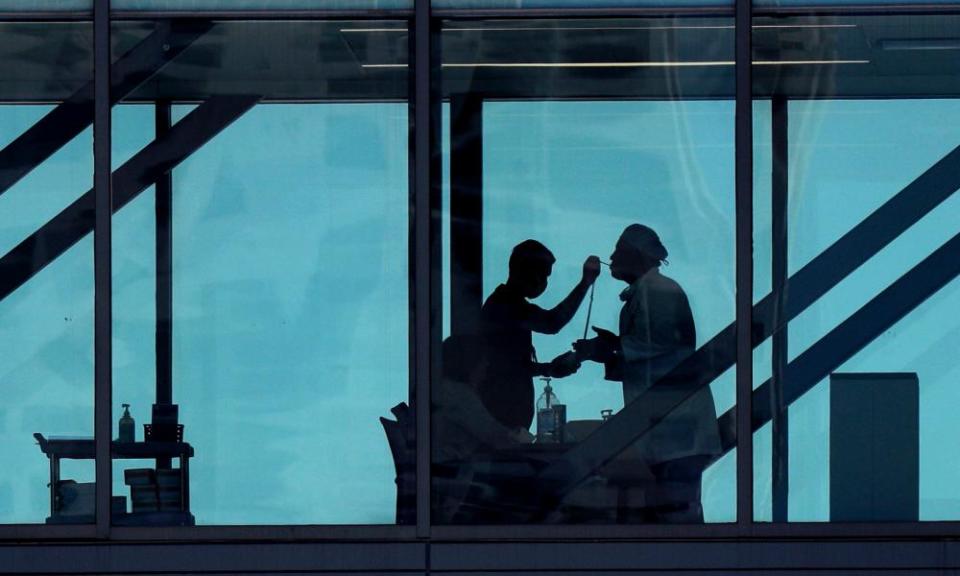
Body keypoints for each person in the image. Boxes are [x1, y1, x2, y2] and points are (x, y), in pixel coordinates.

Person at [574, 224, 720, 522]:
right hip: (667, 426)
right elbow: (650, 356)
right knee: (671, 514)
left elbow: (660, 343)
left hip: (677, 427)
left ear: (636, 255)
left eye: (618, 250)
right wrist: (609, 349)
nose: (611, 257)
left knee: (678, 519)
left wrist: (609, 347)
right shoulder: (648, 291)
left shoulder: (658, 290)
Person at [478, 240, 601, 434]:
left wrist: (549, 368)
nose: (544, 282)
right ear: (526, 272)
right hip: (501, 417)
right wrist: (585, 283)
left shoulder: (507, 302)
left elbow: (513, 366)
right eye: (543, 275)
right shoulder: (506, 304)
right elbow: (552, 322)